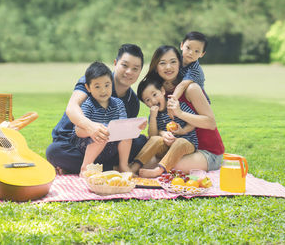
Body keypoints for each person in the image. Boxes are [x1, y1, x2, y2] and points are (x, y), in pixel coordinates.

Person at [46, 44, 147, 174]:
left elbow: (122, 133)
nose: (129, 72)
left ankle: (92, 167)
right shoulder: (93, 80)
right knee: (54, 152)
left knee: (141, 142)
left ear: (140, 71)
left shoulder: (132, 101)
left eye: (135, 69)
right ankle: (107, 168)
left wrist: (134, 128)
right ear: (116, 63)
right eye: (125, 65)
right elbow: (72, 108)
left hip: (106, 146)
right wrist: (91, 127)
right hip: (73, 142)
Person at [140, 44, 224, 174]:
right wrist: (163, 134)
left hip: (206, 151)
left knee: (169, 166)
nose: (168, 67)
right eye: (162, 63)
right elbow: (159, 125)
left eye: (173, 62)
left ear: (179, 64)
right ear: (156, 67)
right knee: (146, 160)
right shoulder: (157, 91)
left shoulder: (191, 88)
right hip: (176, 147)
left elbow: (211, 123)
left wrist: (180, 113)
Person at [71, 62, 132, 175]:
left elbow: (123, 125)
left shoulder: (118, 103)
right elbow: (78, 131)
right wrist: (99, 130)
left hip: (110, 145)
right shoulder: (88, 104)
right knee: (101, 133)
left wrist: (134, 127)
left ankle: (123, 165)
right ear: (88, 88)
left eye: (107, 85)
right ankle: (85, 168)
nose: (103, 91)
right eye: (97, 86)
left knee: (127, 135)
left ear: (112, 84)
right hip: (88, 143)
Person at [130, 78, 198, 178]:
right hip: (166, 146)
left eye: (154, 95)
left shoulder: (177, 105)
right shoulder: (154, 115)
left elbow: (194, 122)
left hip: (187, 143)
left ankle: (159, 170)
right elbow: (152, 136)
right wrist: (153, 118)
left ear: (162, 91)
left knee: (180, 142)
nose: (153, 101)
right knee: (155, 139)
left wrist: (183, 131)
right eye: (148, 100)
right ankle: (133, 168)